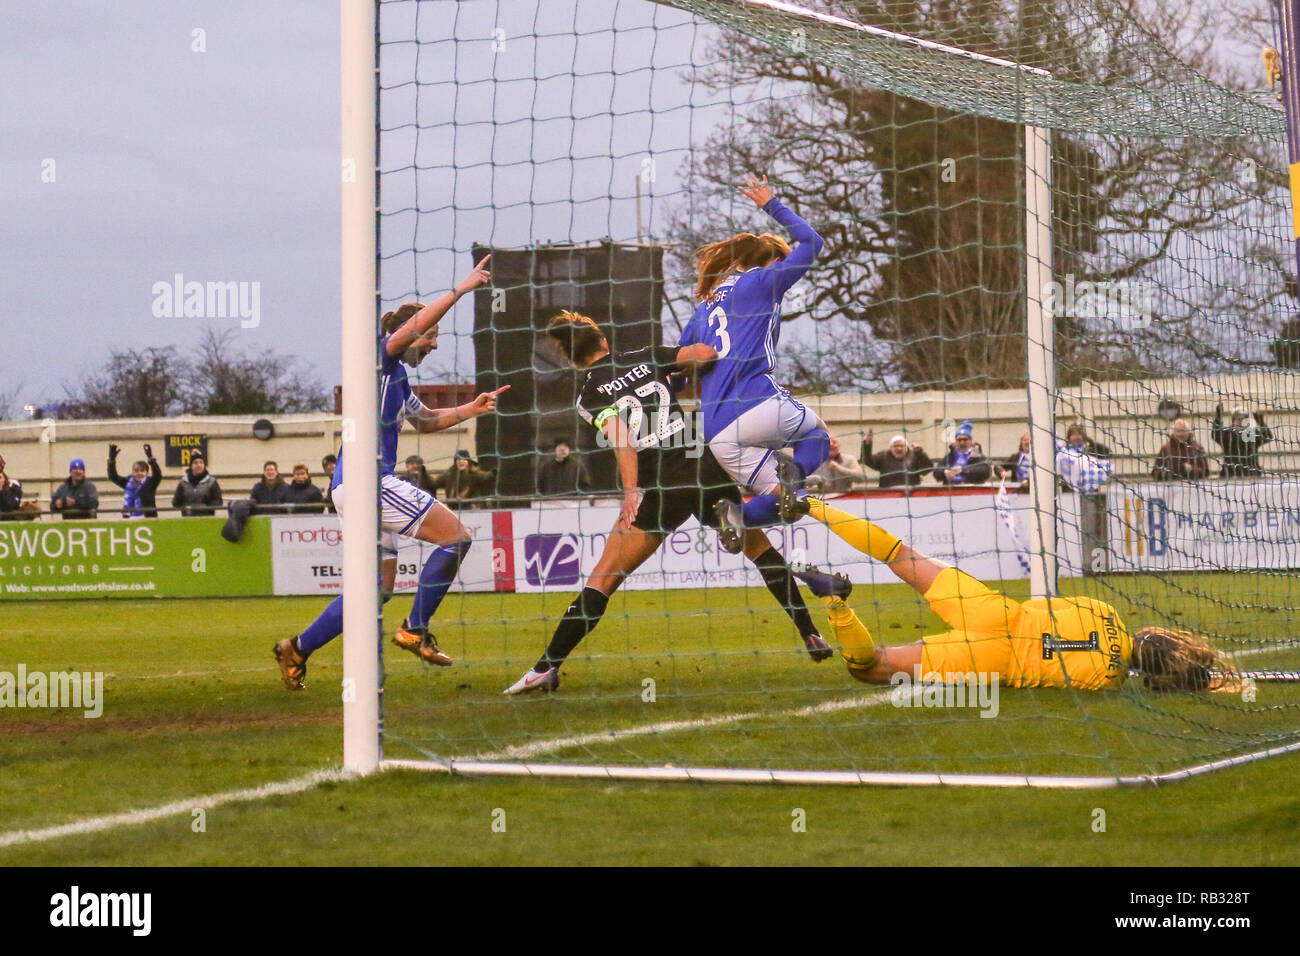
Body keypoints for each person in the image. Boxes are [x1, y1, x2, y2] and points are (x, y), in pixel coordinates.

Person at [504, 310, 836, 694]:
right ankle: (810, 633)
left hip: (662, 485)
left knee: (605, 576)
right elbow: (706, 354)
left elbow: (622, 439)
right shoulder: (646, 355)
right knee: (759, 549)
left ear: (570, 357)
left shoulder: (589, 394)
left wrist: (631, 490)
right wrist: (676, 373)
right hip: (702, 463)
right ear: (603, 340)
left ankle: (546, 667)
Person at [274, 256, 506, 690]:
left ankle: (297, 648)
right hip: (367, 483)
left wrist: (470, 409)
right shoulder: (381, 358)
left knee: (375, 589)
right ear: (412, 333)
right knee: (457, 537)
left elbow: (427, 420)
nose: (434, 345)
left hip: (352, 487)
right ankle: (415, 630)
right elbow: (415, 330)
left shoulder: (396, 380)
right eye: (431, 337)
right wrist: (462, 288)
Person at [782, 491, 1238, 694]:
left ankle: (813, 504)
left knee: (901, 553)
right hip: (995, 660)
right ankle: (834, 600)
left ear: (1156, 632)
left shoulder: (1104, 609)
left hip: (999, 613)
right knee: (870, 668)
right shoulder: (1110, 681)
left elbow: (1045, 606)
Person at [676, 174, 829, 543]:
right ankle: (796, 473)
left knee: (789, 504)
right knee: (819, 434)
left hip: (717, 433)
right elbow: (813, 241)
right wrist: (770, 204)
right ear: (773, 261)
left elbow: (677, 373)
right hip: (757, 404)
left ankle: (737, 516)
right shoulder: (763, 282)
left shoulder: (702, 309)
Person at [1212, 404, 1271, 478]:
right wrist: (1218, 417)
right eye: (1238, 419)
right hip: (1230, 475)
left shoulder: (1251, 434)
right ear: (1233, 420)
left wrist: (1261, 422)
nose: (1241, 422)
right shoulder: (1226, 434)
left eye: (1243, 419)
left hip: (1251, 475)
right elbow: (1215, 434)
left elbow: (1267, 437)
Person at [860, 430, 932, 489]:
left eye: (901, 446)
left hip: (911, 494)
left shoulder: (915, 455)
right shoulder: (883, 456)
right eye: (896, 446)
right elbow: (867, 460)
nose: (899, 449)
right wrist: (867, 445)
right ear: (890, 447)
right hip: (887, 494)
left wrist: (921, 453)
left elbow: (927, 470)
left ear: (906, 447)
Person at [107, 443, 163, 518]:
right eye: (136, 470)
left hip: (148, 518)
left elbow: (158, 475)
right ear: (133, 472)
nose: (139, 473)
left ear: (147, 472)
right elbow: (113, 477)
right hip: (130, 519)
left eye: (142, 470)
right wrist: (111, 460)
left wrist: (151, 459)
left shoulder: (151, 483)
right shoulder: (128, 482)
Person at [933, 421, 991, 485]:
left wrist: (963, 470)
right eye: (959, 440)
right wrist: (944, 473)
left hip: (972, 490)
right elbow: (936, 472)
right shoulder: (950, 456)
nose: (962, 442)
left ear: (970, 441)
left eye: (965, 439)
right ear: (955, 441)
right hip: (950, 489)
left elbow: (985, 472)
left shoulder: (978, 456)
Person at [172, 450, 223, 516]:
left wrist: (205, 506)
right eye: (195, 463)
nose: (199, 465)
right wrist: (186, 506)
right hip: (187, 520)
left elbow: (219, 502)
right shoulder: (183, 482)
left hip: (207, 519)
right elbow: (175, 503)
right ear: (191, 466)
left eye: (201, 463)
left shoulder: (211, 482)